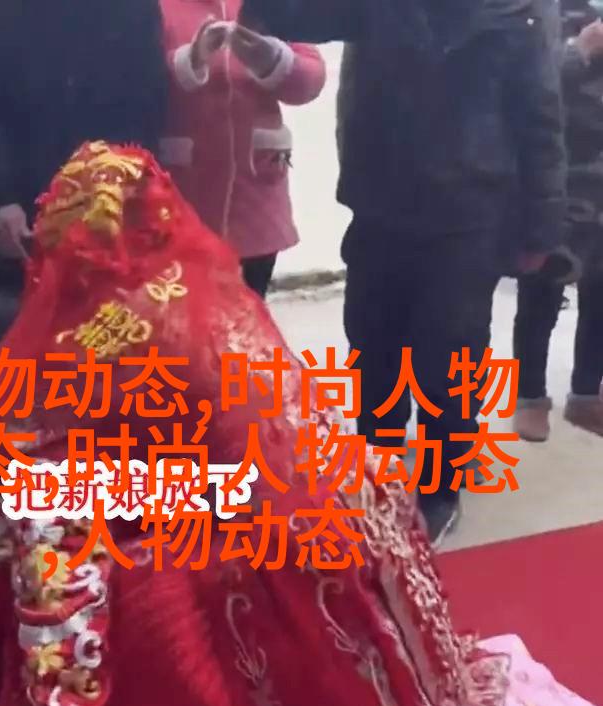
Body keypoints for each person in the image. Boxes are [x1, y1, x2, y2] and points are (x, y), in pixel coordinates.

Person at [0, 142, 510, 706]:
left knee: (21, 576)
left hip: (303, 619)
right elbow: (222, 474)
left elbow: (65, 600)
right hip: (373, 559)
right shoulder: (203, 288)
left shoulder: (67, 371)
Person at [241, 0, 567, 545]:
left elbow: (540, 119)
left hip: (469, 210)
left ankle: (441, 487)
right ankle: (380, 470)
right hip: (381, 201)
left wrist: (541, 230)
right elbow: (304, 14)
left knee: (449, 358)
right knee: (374, 348)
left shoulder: (515, 10)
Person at [0, 0, 170, 298]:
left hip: (113, 201)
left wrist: (128, 185)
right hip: (23, 210)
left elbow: (148, 95)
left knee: (114, 318)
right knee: (25, 316)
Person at [159, 2, 325, 298]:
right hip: (182, 201)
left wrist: (272, 60)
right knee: (183, 317)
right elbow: (138, 81)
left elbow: (310, 81)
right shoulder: (158, 6)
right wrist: (190, 61)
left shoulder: (270, 6)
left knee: (249, 314)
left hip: (255, 200)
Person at [514, 0, 603, 442]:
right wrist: (580, 50)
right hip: (558, 180)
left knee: (601, 297)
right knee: (541, 295)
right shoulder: (539, 13)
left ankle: (586, 395)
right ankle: (530, 397)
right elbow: (525, 89)